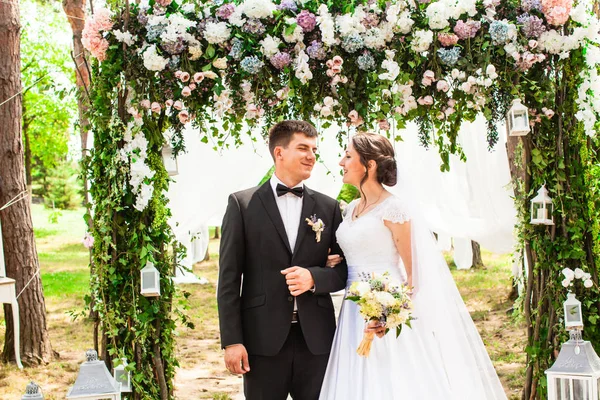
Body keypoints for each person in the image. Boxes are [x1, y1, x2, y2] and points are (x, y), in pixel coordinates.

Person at [319, 132, 507, 400]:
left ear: (369, 165)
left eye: (348, 156)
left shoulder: (394, 209)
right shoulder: (350, 209)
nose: (341, 162)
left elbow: (412, 276)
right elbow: (356, 252)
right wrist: (333, 260)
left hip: (384, 313)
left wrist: (385, 315)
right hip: (351, 311)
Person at [217, 120, 348, 400]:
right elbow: (228, 280)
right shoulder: (242, 204)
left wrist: (315, 277)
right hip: (262, 341)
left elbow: (343, 272)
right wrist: (232, 341)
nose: (311, 156)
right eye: (303, 148)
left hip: (317, 340)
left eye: (314, 149)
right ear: (279, 153)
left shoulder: (329, 207)